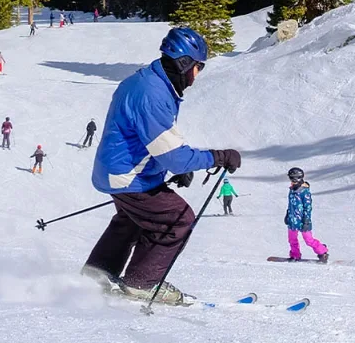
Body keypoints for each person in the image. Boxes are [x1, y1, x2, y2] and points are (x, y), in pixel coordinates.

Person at [82, 26, 242, 305]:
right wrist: (218, 156)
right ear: (184, 63)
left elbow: (147, 141)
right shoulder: (152, 94)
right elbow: (175, 157)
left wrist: (168, 167)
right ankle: (141, 283)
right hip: (128, 175)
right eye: (199, 67)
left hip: (117, 171)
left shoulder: (148, 82)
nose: (197, 75)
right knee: (178, 218)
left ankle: (98, 274)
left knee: (133, 219)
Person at [284, 167, 329, 263]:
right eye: (290, 178)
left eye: (292, 178)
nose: (291, 181)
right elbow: (291, 204)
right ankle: (295, 255)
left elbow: (308, 207)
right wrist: (288, 215)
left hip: (303, 220)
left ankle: (322, 251)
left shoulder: (304, 192)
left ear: (298, 178)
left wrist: (306, 220)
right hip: (292, 220)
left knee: (308, 240)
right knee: (292, 239)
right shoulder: (292, 190)